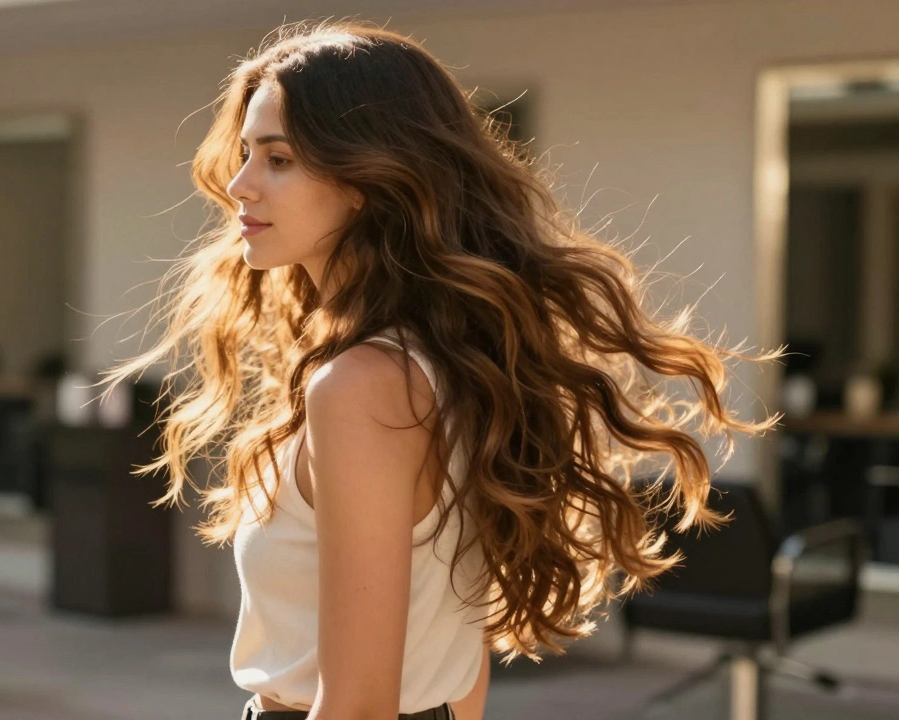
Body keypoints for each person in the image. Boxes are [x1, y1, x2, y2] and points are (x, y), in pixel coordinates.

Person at [102, 19, 780, 720]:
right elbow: (467, 656)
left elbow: (360, 705)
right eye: (246, 154)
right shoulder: (443, 363)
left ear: (366, 176)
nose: (239, 185)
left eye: (278, 159)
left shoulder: (363, 385)